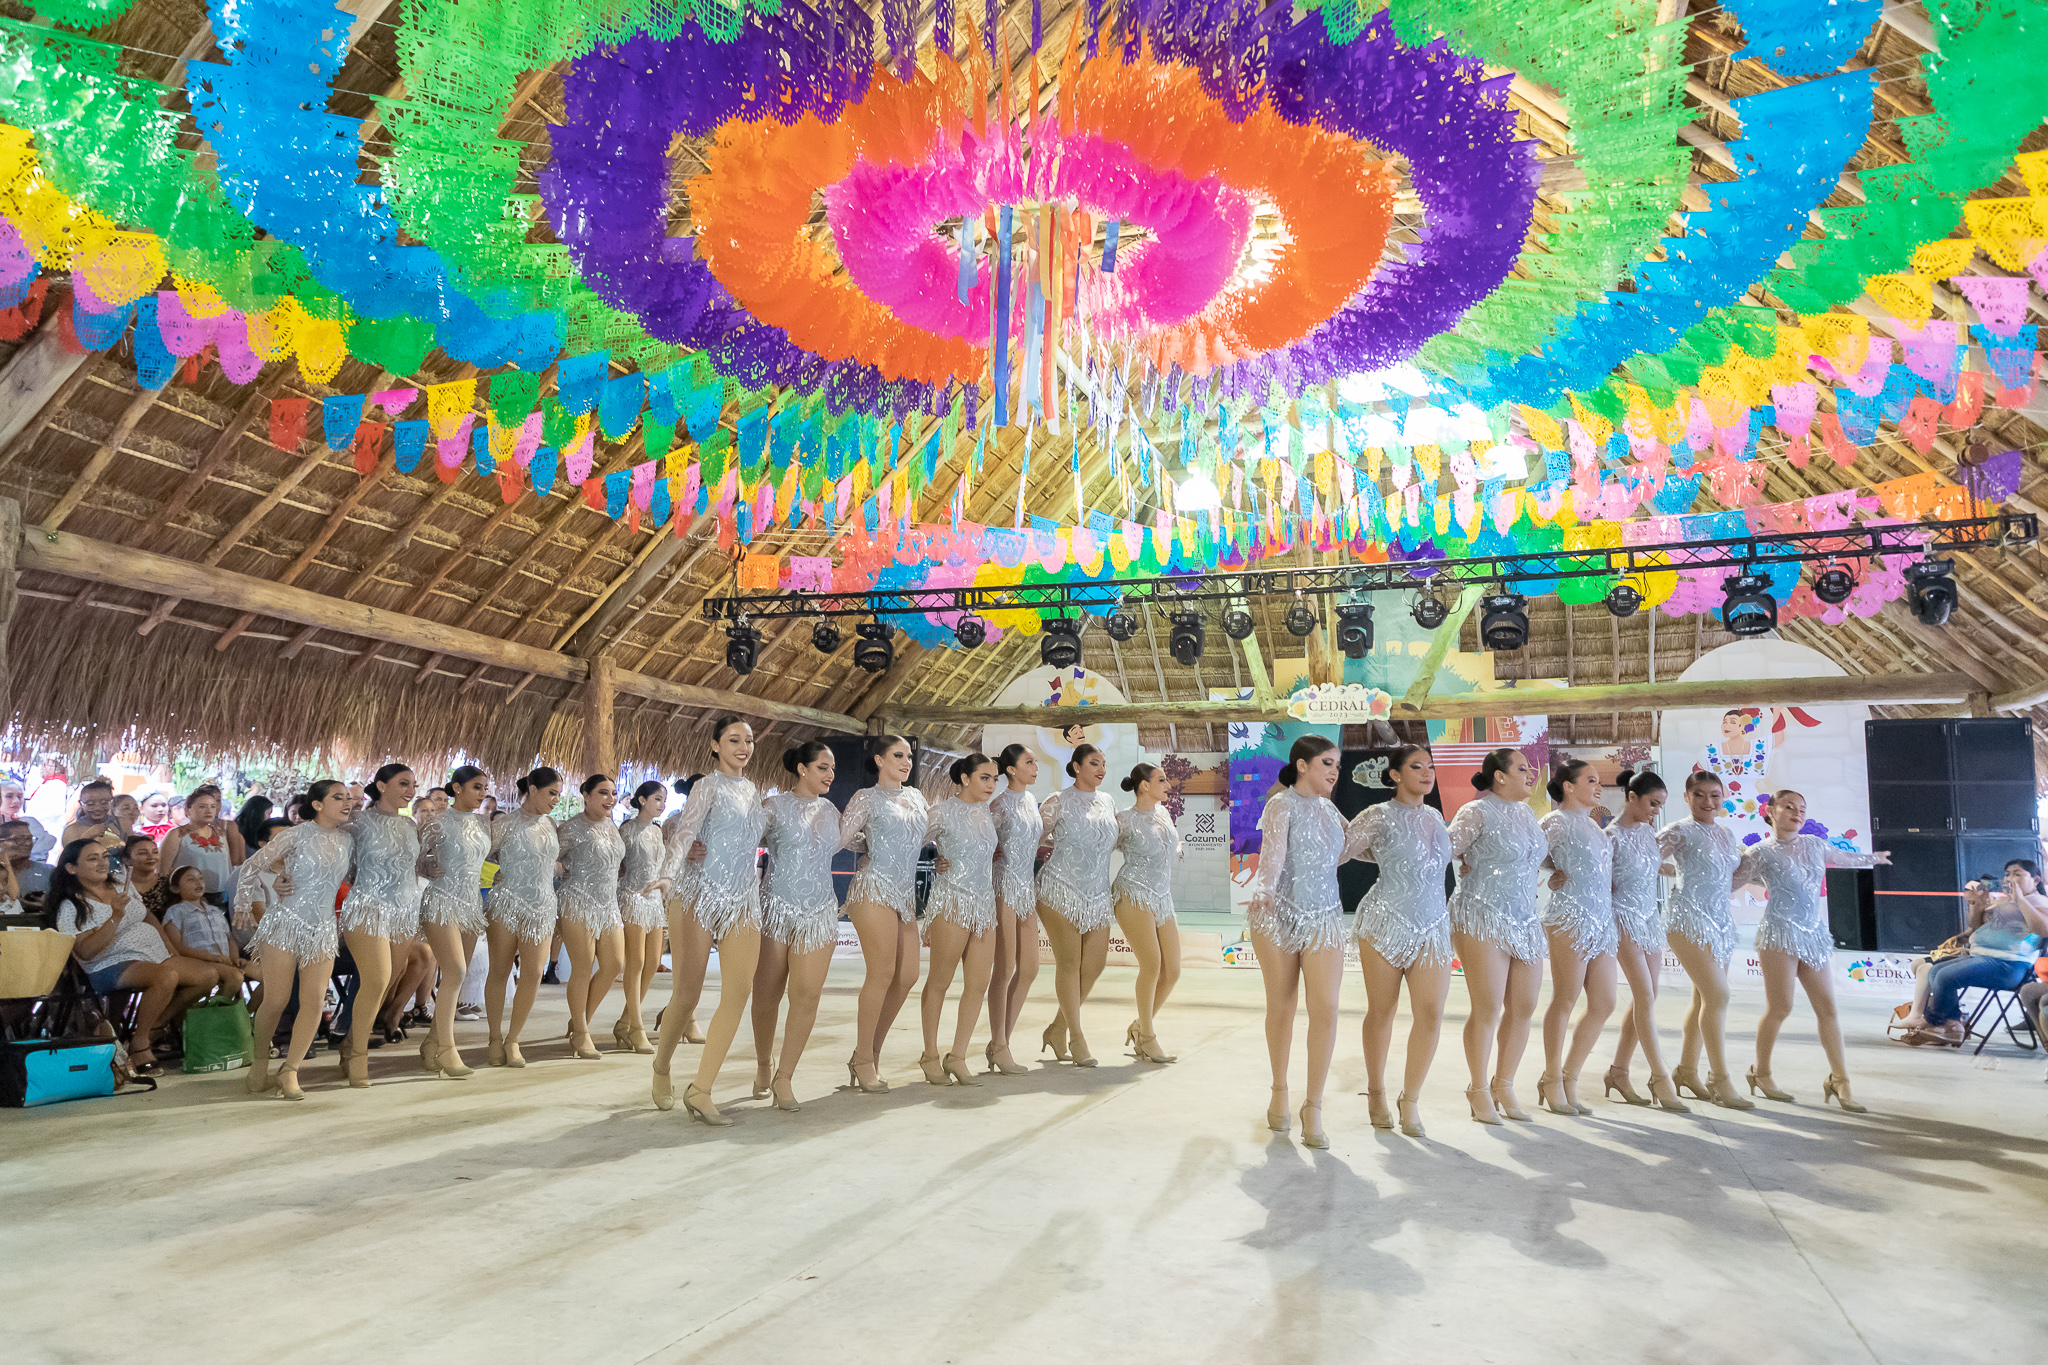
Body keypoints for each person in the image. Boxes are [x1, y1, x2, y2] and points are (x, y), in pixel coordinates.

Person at [1737, 790, 1890, 1111]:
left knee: (1828, 1009)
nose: (1797, 813)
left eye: (1802, 809)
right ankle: (1760, 1072)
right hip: (1778, 936)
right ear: (1770, 810)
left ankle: (1840, 1079)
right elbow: (1729, 881)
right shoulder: (1759, 852)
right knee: (1780, 1008)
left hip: (1813, 936)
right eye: (1789, 807)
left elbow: (1847, 859)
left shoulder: (1815, 845)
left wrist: (1873, 858)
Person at [1246, 735, 1357, 1148]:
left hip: (1325, 917)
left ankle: (1314, 1105)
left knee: (1326, 1008)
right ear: (1302, 765)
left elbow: (1348, 850)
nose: (1334, 771)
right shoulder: (1281, 804)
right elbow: (1271, 858)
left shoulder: (1330, 809)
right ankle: (1280, 1092)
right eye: (1327, 762)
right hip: (1278, 915)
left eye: (1338, 765)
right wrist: (1264, 893)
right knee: (1283, 1004)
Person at [654, 716, 766, 1123]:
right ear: (716, 746)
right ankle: (662, 1066)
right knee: (688, 993)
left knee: (738, 992)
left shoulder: (753, 790)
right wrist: (668, 871)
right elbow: (685, 832)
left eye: (749, 740)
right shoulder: (707, 785)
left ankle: (701, 1089)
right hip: (697, 894)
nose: (743, 746)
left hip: (742, 899)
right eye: (734, 740)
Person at [1345, 744, 1454, 1138]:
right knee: (1383, 1011)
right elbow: (1340, 851)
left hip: (1431, 925)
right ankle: (1375, 1090)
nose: (1427, 773)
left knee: (1431, 1013)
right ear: (1394, 775)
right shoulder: (1378, 814)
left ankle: (1410, 1100)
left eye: (1430, 766)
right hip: (1384, 923)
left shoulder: (1437, 817)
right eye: (1416, 767)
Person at [1447, 747, 1549, 1125]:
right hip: (1481, 914)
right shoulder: (1475, 811)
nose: (1530, 774)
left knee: (1524, 1006)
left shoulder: (1527, 813)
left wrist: (1560, 872)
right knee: (1487, 1007)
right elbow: (1444, 848)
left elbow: (1537, 856)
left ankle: (1503, 1084)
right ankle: (1477, 1088)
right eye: (1522, 768)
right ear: (1500, 776)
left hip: (1524, 919)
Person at [50, 838, 211, 1077]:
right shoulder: (72, 905)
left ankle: (155, 1025)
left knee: (207, 976)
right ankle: (140, 1043)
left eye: (104, 856)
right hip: (109, 963)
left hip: (151, 954)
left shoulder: (120, 885)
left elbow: (147, 916)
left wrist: (170, 950)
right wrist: (114, 916)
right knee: (166, 976)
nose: (102, 862)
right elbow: (85, 951)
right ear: (72, 868)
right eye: (92, 858)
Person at [237, 782, 354, 1099]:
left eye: (349, 798)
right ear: (317, 804)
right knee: (275, 1000)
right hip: (284, 925)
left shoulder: (347, 840)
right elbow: (251, 866)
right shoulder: (294, 835)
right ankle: (260, 1062)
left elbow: (357, 878)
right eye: (338, 797)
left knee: (315, 1001)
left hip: (323, 928)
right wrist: (244, 904)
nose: (346, 802)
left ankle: (290, 1071)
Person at [835, 734, 929, 1093]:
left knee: (907, 976)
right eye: (898, 755)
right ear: (879, 760)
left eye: (908, 756)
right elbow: (842, 838)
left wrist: (950, 856)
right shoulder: (866, 797)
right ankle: (865, 1060)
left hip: (904, 894)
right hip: (872, 888)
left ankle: (868, 1053)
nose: (906, 762)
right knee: (883, 972)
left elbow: (922, 837)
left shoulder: (917, 797)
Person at [750, 742, 842, 1110]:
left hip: (820, 912)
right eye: (823, 767)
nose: (830, 774)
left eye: (832, 768)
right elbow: (741, 843)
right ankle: (762, 1064)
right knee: (767, 996)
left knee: (807, 994)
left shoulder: (833, 810)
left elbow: (872, 842)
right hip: (775, 909)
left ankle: (784, 1076)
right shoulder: (773, 807)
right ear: (802, 769)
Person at [1656, 771, 1753, 1110]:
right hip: (1686, 920)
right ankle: (1720, 1079)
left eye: (1715, 795)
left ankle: (1685, 1070)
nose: (1708, 802)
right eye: (1699, 795)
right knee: (1718, 995)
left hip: (1720, 924)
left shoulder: (1727, 834)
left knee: (1703, 1000)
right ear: (1687, 797)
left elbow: (1728, 878)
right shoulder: (1678, 830)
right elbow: (1643, 859)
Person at [332, 764, 423, 1087]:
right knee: (378, 977)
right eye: (403, 783)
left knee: (387, 981)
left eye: (413, 784)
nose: (411, 790)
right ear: (381, 785)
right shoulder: (357, 822)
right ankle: (358, 1055)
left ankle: (349, 1044)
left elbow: (414, 869)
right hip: (367, 907)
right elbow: (329, 854)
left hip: (404, 912)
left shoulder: (410, 824)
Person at [1537, 758, 1618, 1117]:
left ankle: (1570, 1076)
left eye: (1599, 781)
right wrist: (1552, 871)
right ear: (1568, 786)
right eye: (1590, 780)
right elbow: (1529, 853)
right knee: (1565, 999)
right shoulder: (1555, 820)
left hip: (1602, 922)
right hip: (1569, 917)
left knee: (1604, 1003)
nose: (1598, 786)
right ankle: (1552, 1076)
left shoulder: (1598, 829)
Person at [1604, 770, 1689, 1112]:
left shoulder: (1648, 834)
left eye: (1660, 805)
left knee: (1649, 995)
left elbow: (1651, 868)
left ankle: (1619, 1071)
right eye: (1652, 803)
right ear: (1631, 797)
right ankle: (1659, 1075)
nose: (1656, 810)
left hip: (1648, 919)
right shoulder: (1609, 836)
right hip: (1621, 918)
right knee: (1643, 996)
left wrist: (1686, 872)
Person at [1895, 861, 2048, 1045]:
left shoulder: (2039, 901)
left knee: (1944, 975)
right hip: (1983, 957)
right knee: (1934, 971)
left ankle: (1941, 1025)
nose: (2009, 878)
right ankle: (1952, 1026)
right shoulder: (2003, 900)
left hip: (2009, 965)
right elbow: (1975, 926)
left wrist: (2021, 899)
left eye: (2017, 874)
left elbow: (2043, 930)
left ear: (2036, 879)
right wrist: (1976, 903)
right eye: (2007, 874)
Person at [918, 754, 1001, 1087]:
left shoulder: (988, 813)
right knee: (940, 981)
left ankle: (959, 1055)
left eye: (995, 779)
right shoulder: (941, 812)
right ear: (965, 778)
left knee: (978, 984)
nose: (992, 785)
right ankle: (929, 1055)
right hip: (951, 902)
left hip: (985, 906)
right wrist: (933, 860)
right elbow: (908, 844)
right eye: (985, 778)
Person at [1035, 743, 1119, 1068]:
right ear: (1076, 766)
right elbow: (1034, 836)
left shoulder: (1108, 801)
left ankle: (1056, 1029)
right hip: (1059, 889)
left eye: (1104, 764)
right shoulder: (1059, 800)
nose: (1101, 769)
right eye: (1094, 763)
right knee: (1069, 965)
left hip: (1097, 893)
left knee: (1094, 966)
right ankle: (1076, 1037)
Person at [415, 766, 493, 1077]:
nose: (482, 793)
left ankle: (433, 1042)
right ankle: (448, 1050)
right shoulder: (436, 823)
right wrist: (427, 869)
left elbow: (485, 860)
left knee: (457, 977)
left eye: (485, 787)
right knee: (456, 971)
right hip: (441, 902)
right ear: (457, 788)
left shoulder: (483, 824)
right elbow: (415, 860)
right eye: (476, 786)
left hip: (471, 905)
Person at [485, 768, 564, 1068]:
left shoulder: (553, 824)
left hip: (543, 905)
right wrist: (499, 873)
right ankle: (494, 1036)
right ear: (532, 790)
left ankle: (513, 1038)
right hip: (506, 902)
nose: (556, 799)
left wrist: (556, 868)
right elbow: (481, 855)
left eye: (558, 794)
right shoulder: (504, 824)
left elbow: (557, 860)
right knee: (500, 971)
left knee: (533, 972)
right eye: (551, 793)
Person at [1112, 762, 1184, 1066]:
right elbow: (1096, 847)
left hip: (1161, 896)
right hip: (1132, 894)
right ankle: (1148, 1037)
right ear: (1144, 785)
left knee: (1173, 970)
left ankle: (1140, 1026)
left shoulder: (1164, 814)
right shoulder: (1123, 820)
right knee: (1152, 966)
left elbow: (1170, 840)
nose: (1168, 784)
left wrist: (1178, 846)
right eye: (1161, 780)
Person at [557, 774, 627, 1060]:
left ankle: (579, 1021)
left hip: (608, 904)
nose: (610, 799)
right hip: (577, 901)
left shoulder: (612, 826)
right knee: (583, 967)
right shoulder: (571, 828)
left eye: (613, 793)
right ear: (586, 795)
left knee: (614, 964)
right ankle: (582, 1033)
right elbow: (550, 857)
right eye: (603, 793)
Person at [984, 744, 1042, 1076]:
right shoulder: (1000, 804)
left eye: (1035, 761)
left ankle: (999, 1043)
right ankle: (999, 1044)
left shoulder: (1032, 802)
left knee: (1030, 968)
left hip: (1025, 887)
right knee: (1004, 969)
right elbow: (980, 840)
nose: (1035, 767)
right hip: (1003, 883)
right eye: (1029, 762)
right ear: (1011, 770)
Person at [613, 780, 670, 1055]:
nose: (662, 804)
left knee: (653, 963)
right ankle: (637, 1026)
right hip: (632, 897)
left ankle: (625, 1021)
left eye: (664, 799)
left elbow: (659, 867)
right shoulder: (627, 829)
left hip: (654, 901)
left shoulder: (657, 832)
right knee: (635, 962)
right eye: (658, 798)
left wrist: (662, 884)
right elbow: (617, 865)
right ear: (642, 800)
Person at [157, 865, 247, 997]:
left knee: (266, 976)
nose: (198, 882)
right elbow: (177, 946)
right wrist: (211, 957)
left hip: (225, 961)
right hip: (201, 962)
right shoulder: (176, 912)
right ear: (175, 888)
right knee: (235, 977)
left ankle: (233, 1011)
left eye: (200, 879)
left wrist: (234, 958)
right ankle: (212, 1012)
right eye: (190, 880)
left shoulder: (215, 911)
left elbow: (229, 938)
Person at [160, 786, 247, 908]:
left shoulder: (221, 834)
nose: (209, 810)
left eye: (213, 806)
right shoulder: (177, 835)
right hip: (189, 898)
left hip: (222, 897)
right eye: (202, 806)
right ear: (188, 809)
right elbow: (163, 871)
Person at [60, 778, 125, 860]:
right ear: (81, 804)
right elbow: (70, 859)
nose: (98, 808)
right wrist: (87, 836)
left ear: (112, 802)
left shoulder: (120, 824)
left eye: (104, 803)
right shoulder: (72, 830)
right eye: (90, 804)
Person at [1, 781, 55, 860]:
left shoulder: (31, 824)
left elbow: (39, 857)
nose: (16, 800)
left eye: (19, 796)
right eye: (9, 796)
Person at [0, 819, 51, 900]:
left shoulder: (48, 871)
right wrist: (5, 859)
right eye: (19, 839)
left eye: (29, 838)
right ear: (2, 842)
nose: (28, 843)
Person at [25, 755, 68, 846]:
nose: (41, 768)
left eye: (45, 765)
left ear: (56, 769)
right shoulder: (50, 785)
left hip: (48, 835)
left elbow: (41, 813)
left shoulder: (56, 786)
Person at [124, 834, 172, 916]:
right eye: (143, 853)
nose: (151, 856)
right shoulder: (121, 887)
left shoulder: (169, 883)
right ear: (127, 860)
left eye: (155, 852)